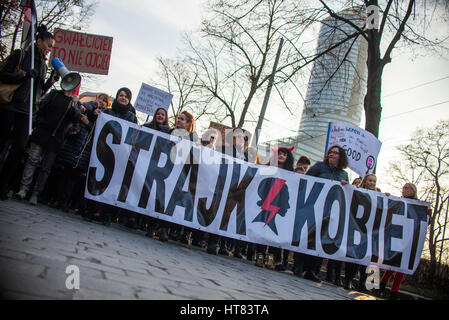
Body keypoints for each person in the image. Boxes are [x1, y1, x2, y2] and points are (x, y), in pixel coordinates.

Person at [0, 25, 59, 200]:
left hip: (26, 111)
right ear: (39, 41)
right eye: (48, 45)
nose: (49, 50)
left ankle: (4, 184)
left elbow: (39, 90)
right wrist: (24, 76)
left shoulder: (42, 66)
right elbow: (3, 74)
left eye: (51, 47)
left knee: (19, 148)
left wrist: (51, 81)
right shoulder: (22, 55)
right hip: (10, 104)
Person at [14, 88, 86, 205]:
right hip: (42, 132)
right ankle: (23, 189)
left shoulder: (75, 102)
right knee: (32, 160)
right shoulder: (55, 94)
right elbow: (42, 106)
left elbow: (76, 118)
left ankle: (35, 194)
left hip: (56, 138)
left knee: (46, 168)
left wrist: (74, 104)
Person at [51, 93, 108, 212]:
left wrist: (88, 123)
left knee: (73, 178)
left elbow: (98, 133)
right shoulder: (85, 108)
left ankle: (66, 202)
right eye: (100, 99)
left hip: (85, 151)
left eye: (104, 101)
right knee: (64, 174)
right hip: (74, 146)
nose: (101, 102)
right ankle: (56, 199)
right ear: (95, 99)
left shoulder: (105, 117)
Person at [302, 145, 349, 283]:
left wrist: (346, 185)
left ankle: (314, 270)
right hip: (315, 207)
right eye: (330, 152)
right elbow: (306, 180)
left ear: (341, 157)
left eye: (335, 153)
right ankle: (304, 268)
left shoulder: (344, 174)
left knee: (322, 239)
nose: (332, 155)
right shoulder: (319, 167)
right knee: (311, 236)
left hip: (331, 211)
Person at [255, 146, 295, 270]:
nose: (282, 156)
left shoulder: (292, 174)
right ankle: (260, 255)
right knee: (262, 228)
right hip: (266, 203)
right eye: (280, 154)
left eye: (285, 154)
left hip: (280, 205)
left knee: (277, 231)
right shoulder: (267, 168)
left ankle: (275, 258)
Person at [378, 182, 419, 300]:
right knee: (392, 265)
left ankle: (394, 292)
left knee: (401, 268)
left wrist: (428, 215)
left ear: (413, 191)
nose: (404, 190)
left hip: (408, 239)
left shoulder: (418, 205)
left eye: (406, 188)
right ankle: (382, 286)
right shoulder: (399, 201)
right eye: (403, 188)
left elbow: (422, 222)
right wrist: (388, 198)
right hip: (396, 236)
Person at [344, 173, 380, 291]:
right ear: (365, 181)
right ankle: (348, 280)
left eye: (374, 181)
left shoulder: (378, 196)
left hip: (369, 232)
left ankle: (362, 283)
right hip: (356, 228)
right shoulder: (358, 191)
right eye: (370, 180)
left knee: (366, 258)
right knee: (353, 256)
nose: (372, 183)